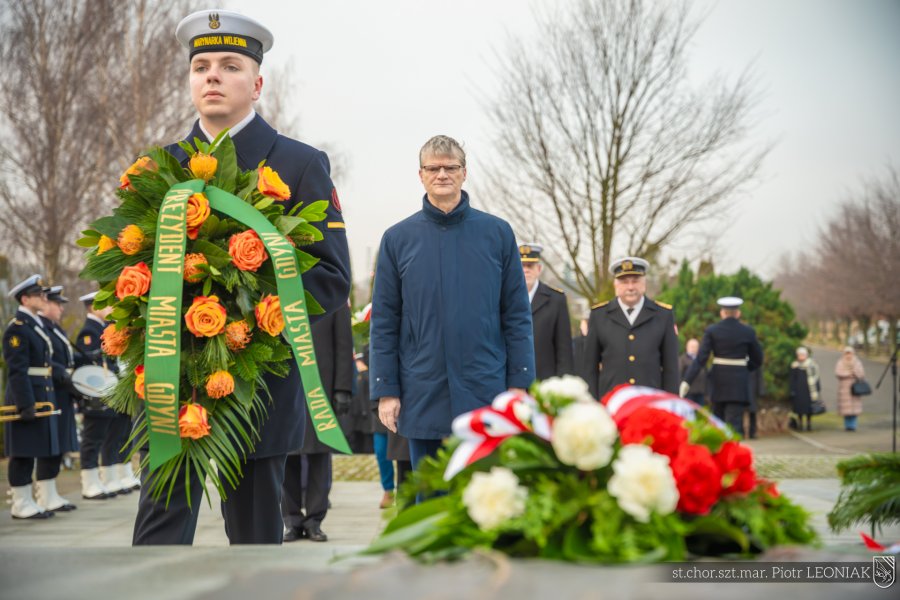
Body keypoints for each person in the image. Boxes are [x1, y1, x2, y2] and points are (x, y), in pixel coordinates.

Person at [132, 9, 351, 545]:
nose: (212, 75)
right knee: (157, 538)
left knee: (255, 545)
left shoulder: (299, 164)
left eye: (230, 65)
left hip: (259, 387)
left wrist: (245, 316)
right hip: (169, 380)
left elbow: (331, 276)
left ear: (256, 84)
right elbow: (130, 269)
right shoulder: (160, 168)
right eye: (201, 66)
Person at [370, 135, 535, 470]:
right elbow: (384, 321)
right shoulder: (397, 239)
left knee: (490, 492)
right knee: (430, 494)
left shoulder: (497, 233)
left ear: (464, 172)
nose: (442, 174)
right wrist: (387, 390)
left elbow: (517, 315)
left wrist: (520, 383)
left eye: (450, 167)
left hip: (485, 389)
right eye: (433, 168)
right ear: (421, 175)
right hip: (423, 390)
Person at [282, 304, 353, 543]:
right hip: (287, 387)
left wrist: (343, 388)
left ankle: (314, 520)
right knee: (287, 456)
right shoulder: (277, 289)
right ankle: (292, 520)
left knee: (319, 457)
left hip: (321, 388)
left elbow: (344, 344)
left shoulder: (332, 293)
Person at [580, 257, 679, 400]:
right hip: (612, 403)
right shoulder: (599, 315)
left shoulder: (663, 315)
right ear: (615, 285)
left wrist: (671, 404)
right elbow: (590, 368)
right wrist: (592, 404)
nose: (630, 287)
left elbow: (671, 369)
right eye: (624, 282)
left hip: (650, 402)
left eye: (635, 281)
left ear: (644, 283)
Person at [2, 275, 59, 519]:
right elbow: (17, 370)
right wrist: (25, 404)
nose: (44, 298)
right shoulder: (17, 328)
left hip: (38, 392)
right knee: (22, 453)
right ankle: (20, 503)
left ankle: (28, 501)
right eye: (38, 295)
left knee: (32, 450)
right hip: (25, 396)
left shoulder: (34, 325)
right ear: (25, 299)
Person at [681, 297, 764, 436]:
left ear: (722, 313)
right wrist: (744, 368)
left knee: (718, 425)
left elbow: (701, 359)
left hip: (718, 383)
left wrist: (687, 380)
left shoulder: (712, 331)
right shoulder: (748, 331)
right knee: (734, 426)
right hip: (738, 384)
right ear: (738, 313)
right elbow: (758, 359)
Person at [74, 292, 123, 500]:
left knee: (109, 437)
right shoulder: (89, 331)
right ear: (94, 307)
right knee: (92, 439)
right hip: (95, 393)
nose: (111, 309)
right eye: (106, 305)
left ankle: (107, 477)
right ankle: (90, 482)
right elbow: (87, 363)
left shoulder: (103, 328)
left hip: (107, 390)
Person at [35, 286, 78, 512]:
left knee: (58, 445)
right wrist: (60, 371)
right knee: (49, 447)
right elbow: (43, 360)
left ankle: (51, 493)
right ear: (46, 304)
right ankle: (44, 495)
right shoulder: (42, 327)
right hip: (52, 390)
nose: (61, 308)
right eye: (57, 304)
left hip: (62, 391)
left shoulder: (53, 328)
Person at [519, 243, 574, 380]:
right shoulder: (504, 298)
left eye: (530, 266)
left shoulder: (556, 299)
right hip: (513, 381)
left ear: (539, 269)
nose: (526, 270)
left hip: (546, 381)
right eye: (522, 266)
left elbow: (564, 348)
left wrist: (562, 382)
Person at [789, 347, 821, 431]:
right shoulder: (794, 366)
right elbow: (792, 379)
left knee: (809, 409)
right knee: (799, 409)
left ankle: (809, 424)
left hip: (809, 391)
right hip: (799, 391)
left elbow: (816, 377)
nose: (801, 356)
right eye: (800, 355)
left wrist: (817, 388)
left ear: (806, 355)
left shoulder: (812, 365)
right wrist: (792, 390)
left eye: (803, 355)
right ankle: (800, 424)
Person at [834, 346, 865, 431]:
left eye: (850, 353)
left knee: (854, 407)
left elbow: (861, 373)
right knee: (846, 409)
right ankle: (847, 425)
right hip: (844, 388)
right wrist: (848, 374)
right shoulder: (840, 362)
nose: (848, 355)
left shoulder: (857, 362)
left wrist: (854, 373)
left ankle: (853, 425)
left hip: (855, 388)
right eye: (847, 353)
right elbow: (838, 372)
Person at [678, 338, 707, 407]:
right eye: (692, 346)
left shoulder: (701, 360)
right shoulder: (682, 359)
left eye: (695, 347)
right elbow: (679, 374)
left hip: (700, 392)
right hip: (689, 392)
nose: (694, 349)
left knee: (700, 411)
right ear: (687, 347)